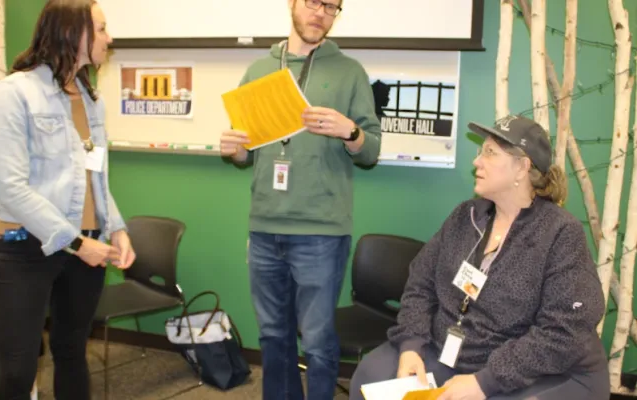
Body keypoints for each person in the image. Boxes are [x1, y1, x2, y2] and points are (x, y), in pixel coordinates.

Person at [349, 115, 609, 400]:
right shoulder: (466, 216)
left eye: (489, 152)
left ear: (522, 167)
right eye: (480, 151)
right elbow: (420, 284)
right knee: (370, 378)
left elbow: (563, 330)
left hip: (530, 369)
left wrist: (485, 381)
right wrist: (411, 344)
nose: (477, 162)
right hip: (452, 350)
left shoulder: (560, 233)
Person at [219, 0, 381, 398]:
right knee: (273, 336)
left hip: (321, 232)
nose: (321, 13)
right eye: (314, 2)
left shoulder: (350, 72)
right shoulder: (258, 71)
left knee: (318, 342)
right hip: (264, 228)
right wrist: (234, 149)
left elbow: (371, 150)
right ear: (292, 3)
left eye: (332, 6)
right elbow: (247, 155)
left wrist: (350, 132)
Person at [0, 1, 135, 399]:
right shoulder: (15, 92)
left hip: (82, 247)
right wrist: (77, 243)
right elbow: (12, 189)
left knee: (71, 354)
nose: (109, 38)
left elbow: (96, 178)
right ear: (74, 32)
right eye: (102, 29)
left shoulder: (90, 98)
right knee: (17, 371)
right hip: (22, 249)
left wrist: (115, 228)